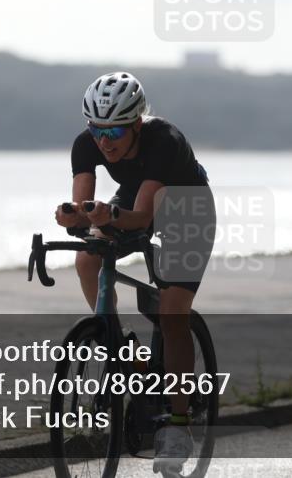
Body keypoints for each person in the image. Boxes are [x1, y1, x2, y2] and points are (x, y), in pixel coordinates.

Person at [54, 71, 214, 472]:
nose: (104, 142)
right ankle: (124, 346)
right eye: (97, 130)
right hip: (136, 196)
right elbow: (84, 206)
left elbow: (142, 216)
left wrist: (109, 216)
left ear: (137, 124)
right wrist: (73, 215)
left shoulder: (165, 141)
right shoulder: (85, 144)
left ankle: (179, 426)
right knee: (87, 257)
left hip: (185, 208)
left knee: (172, 313)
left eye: (115, 132)